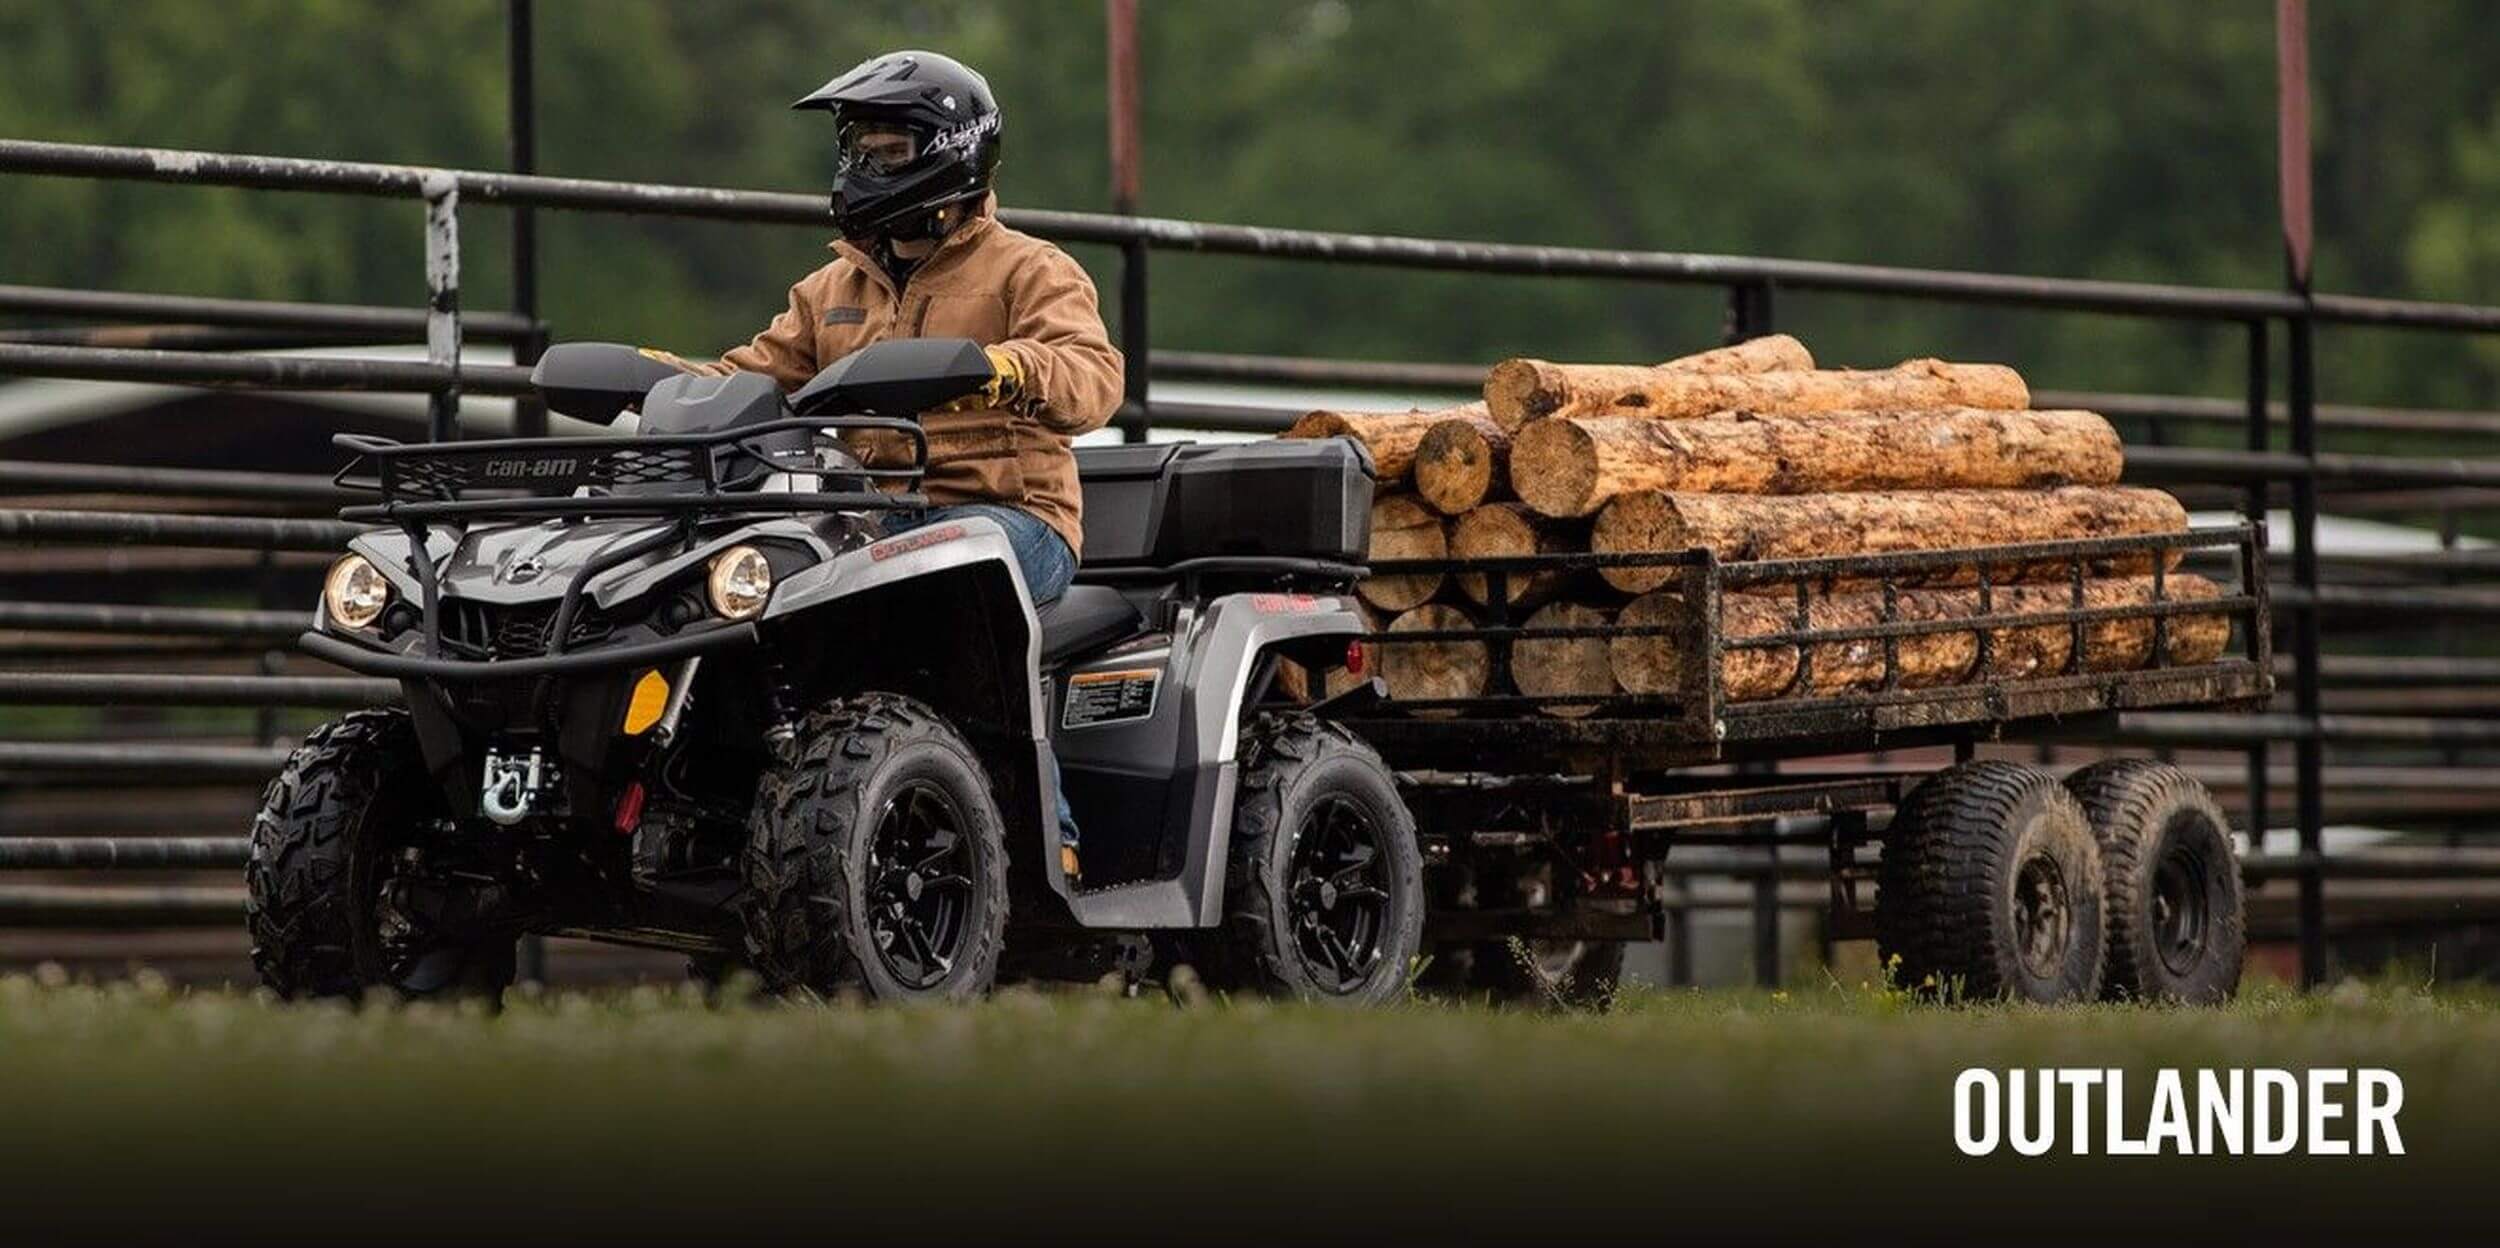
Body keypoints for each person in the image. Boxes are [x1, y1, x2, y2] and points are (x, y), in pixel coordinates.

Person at [652, 50, 1120, 880]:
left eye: (887, 151)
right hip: (873, 523)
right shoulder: (832, 286)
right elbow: (757, 375)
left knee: (945, 573)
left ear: (954, 148)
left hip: (1014, 520)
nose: (863, 168)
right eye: (856, 150)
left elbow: (1094, 378)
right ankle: (736, 820)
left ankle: (1058, 843)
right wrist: (664, 380)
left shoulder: (1031, 269)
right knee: (745, 589)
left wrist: (1009, 367)